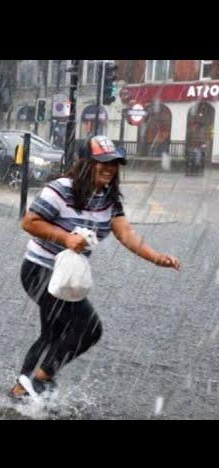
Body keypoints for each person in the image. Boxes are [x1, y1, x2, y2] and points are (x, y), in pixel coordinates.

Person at [10, 135, 181, 400]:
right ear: (85, 163)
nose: (109, 168)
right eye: (102, 163)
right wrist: (65, 238)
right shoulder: (60, 189)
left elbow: (127, 234)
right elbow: (30, 222)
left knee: (54, 332)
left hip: (67, 276)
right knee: (89, 328)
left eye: (114, 164)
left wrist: (157, 258)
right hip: (40, 270)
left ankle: (24, 387)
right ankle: (41, 378)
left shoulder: (108, 199)